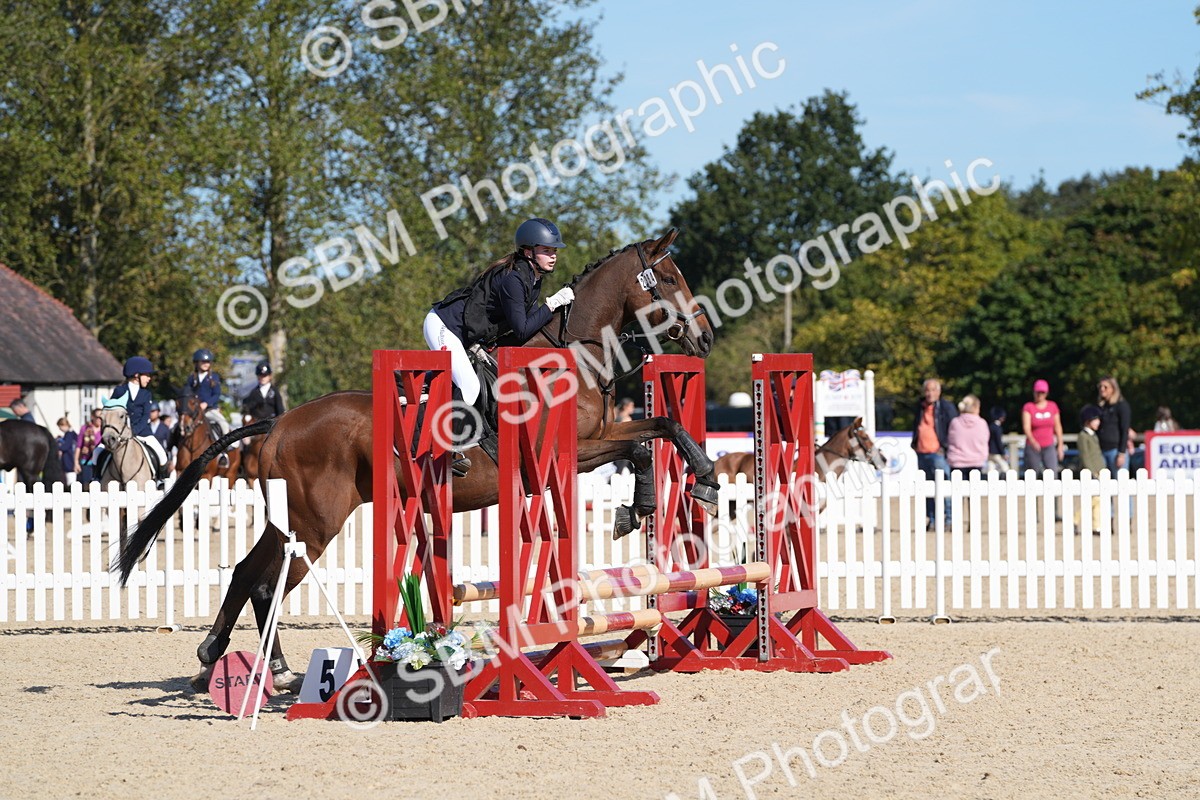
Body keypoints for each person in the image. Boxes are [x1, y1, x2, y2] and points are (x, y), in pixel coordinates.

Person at [424, 218, 574, 474]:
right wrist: (551, 305)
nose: (553, 256)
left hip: (466, 335)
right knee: (470, 386)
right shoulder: (513, 279)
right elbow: (523, 329)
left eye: (554, 251)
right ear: (528, 252)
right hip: (444, 326)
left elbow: (522, 328)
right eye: (547, 250)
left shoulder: (532, 277)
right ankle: (444, 447)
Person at [110, 356, 170, 482]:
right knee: (97, 452)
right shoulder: (119, 391)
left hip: (143, 432)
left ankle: (161, 480)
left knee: (162, 455)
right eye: (147, 375)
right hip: (120, 433)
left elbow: (145, 416)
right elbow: (112, 412)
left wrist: (134, 431)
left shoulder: (146, 393)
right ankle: (97, 477)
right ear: (136, 375)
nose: (149, 378)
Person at [911, 378, 956, 528]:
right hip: (922, 452)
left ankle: (949, 519)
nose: (930, 393)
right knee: (927, 488)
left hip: (938, 453)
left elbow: (953, 428)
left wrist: (945, 446)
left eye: (933, 390)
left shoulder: (946, 408)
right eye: (927, 390)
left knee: (945, 486)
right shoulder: (920, 407)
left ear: (939, 391)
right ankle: (932, 519)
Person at [1021, 379, 1064, 474]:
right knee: (1032, 474)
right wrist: (1033, 442)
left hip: (1049, 445)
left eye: (1042, 392)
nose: (1040, 395)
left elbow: (1058, 426)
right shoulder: (1028, 407)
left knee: (1052, 472)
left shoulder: (1052, 406)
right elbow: (1026, 427)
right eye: (1038, 392)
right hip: (1033, 446)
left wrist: (1060, 445)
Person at [185, 348, 230, 438]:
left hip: (210, 409)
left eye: (208, 362)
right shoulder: (191, 378)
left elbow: (216, 394)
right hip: (194, 411)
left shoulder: (214, 377)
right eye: (203, 362)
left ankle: (229, 444)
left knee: (223, 423)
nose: (206, 364)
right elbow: (187, 393)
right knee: (178, 425)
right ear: (197, 363)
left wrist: (206, 403)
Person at [1075, 405, 1105, 529]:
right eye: (1095, 419)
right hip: (1091, 471)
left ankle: (1096, 526)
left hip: (1100, 470)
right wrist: (1092, 471)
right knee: (1095, 498)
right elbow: (1085, 456)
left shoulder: (1093, 435)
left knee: (1098, 499)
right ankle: (1075, 518)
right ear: (1088, 421)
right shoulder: (1083, 436)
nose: (1098, 422)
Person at [947, 394, 989, 475]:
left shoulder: (955, 422)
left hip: (957, 462)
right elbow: (985, 441)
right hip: (977, 462)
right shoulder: (982, 423)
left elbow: (950, 440)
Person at [1096, 375, 1131, 472]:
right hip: (1101, 450)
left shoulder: (1122, 406)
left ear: (1113, 389)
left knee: (1120, 479)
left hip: (1115, 451)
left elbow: (1124, 430)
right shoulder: (1101, 407)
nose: (1102, 389)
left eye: (1105, 387)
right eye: (1100, 387)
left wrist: (1121, 453)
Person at [76, 409, 102, 484]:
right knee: (86, 484)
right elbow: (79, 446)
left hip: (100, 462)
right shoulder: (85, 428)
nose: (99, 419)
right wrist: (76, 462)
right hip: (87, 461)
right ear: (92, 417)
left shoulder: (105, 429)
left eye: (101, 417)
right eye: (97, 417)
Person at [56, 417, 78, 485]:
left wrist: (58, 445)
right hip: (69, 461)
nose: (60, 429)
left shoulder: (69, 434)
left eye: (60, 427)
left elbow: (65, 446)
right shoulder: (71, 434)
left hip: (69, 462)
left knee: (71, 482)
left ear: (64, 425)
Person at [987, 406, 1008, 472]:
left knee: (991, 468)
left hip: (989, 451)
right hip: (996, 452)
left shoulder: (990, 426)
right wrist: (1003, 453)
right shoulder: (998, 428)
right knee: (1005, 467)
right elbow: (999, 441)